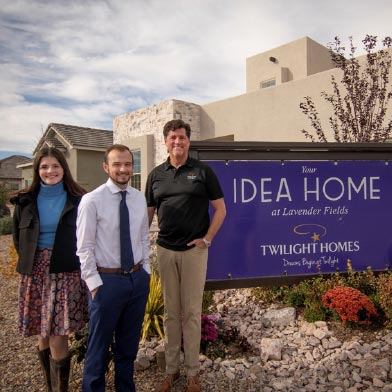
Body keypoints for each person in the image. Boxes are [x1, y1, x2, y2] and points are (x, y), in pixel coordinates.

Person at [145, 119, 226, 392]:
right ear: (165, 142)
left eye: (181, 137)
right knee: (170, 313)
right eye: (172, 138)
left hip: (194, 252)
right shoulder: (156, 175)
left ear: (188, 141)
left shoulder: (203, 172)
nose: (177, 142)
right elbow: (147, 216)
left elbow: (221, 210)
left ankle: (192, 373)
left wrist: (207, 239)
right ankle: (171, 372)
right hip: (166, 250)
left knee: (191, 313)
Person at [11, 147, 89, 392]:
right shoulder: (25, 200)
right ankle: (49, 385)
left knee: (58, 331)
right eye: (44, 167)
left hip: (64, 270)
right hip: (35, 272)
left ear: (63, 168)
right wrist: (32, 263)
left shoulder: (78, 199)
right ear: (37, 170)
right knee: (42, 331)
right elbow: (17, 238)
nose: (50, 171)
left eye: (55, 166)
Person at [76, 144, 151, 392]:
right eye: (117, 164)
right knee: (97, 350)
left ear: (133, 167)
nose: (123, 169)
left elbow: (143, 237)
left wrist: (146, 271)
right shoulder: (92, 201)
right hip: (106, 283)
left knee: (128, 349)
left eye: (127, 164)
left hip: (137, 280)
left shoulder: (139, 198)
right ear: (106, 167)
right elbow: (84, 247)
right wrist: (95, 284)